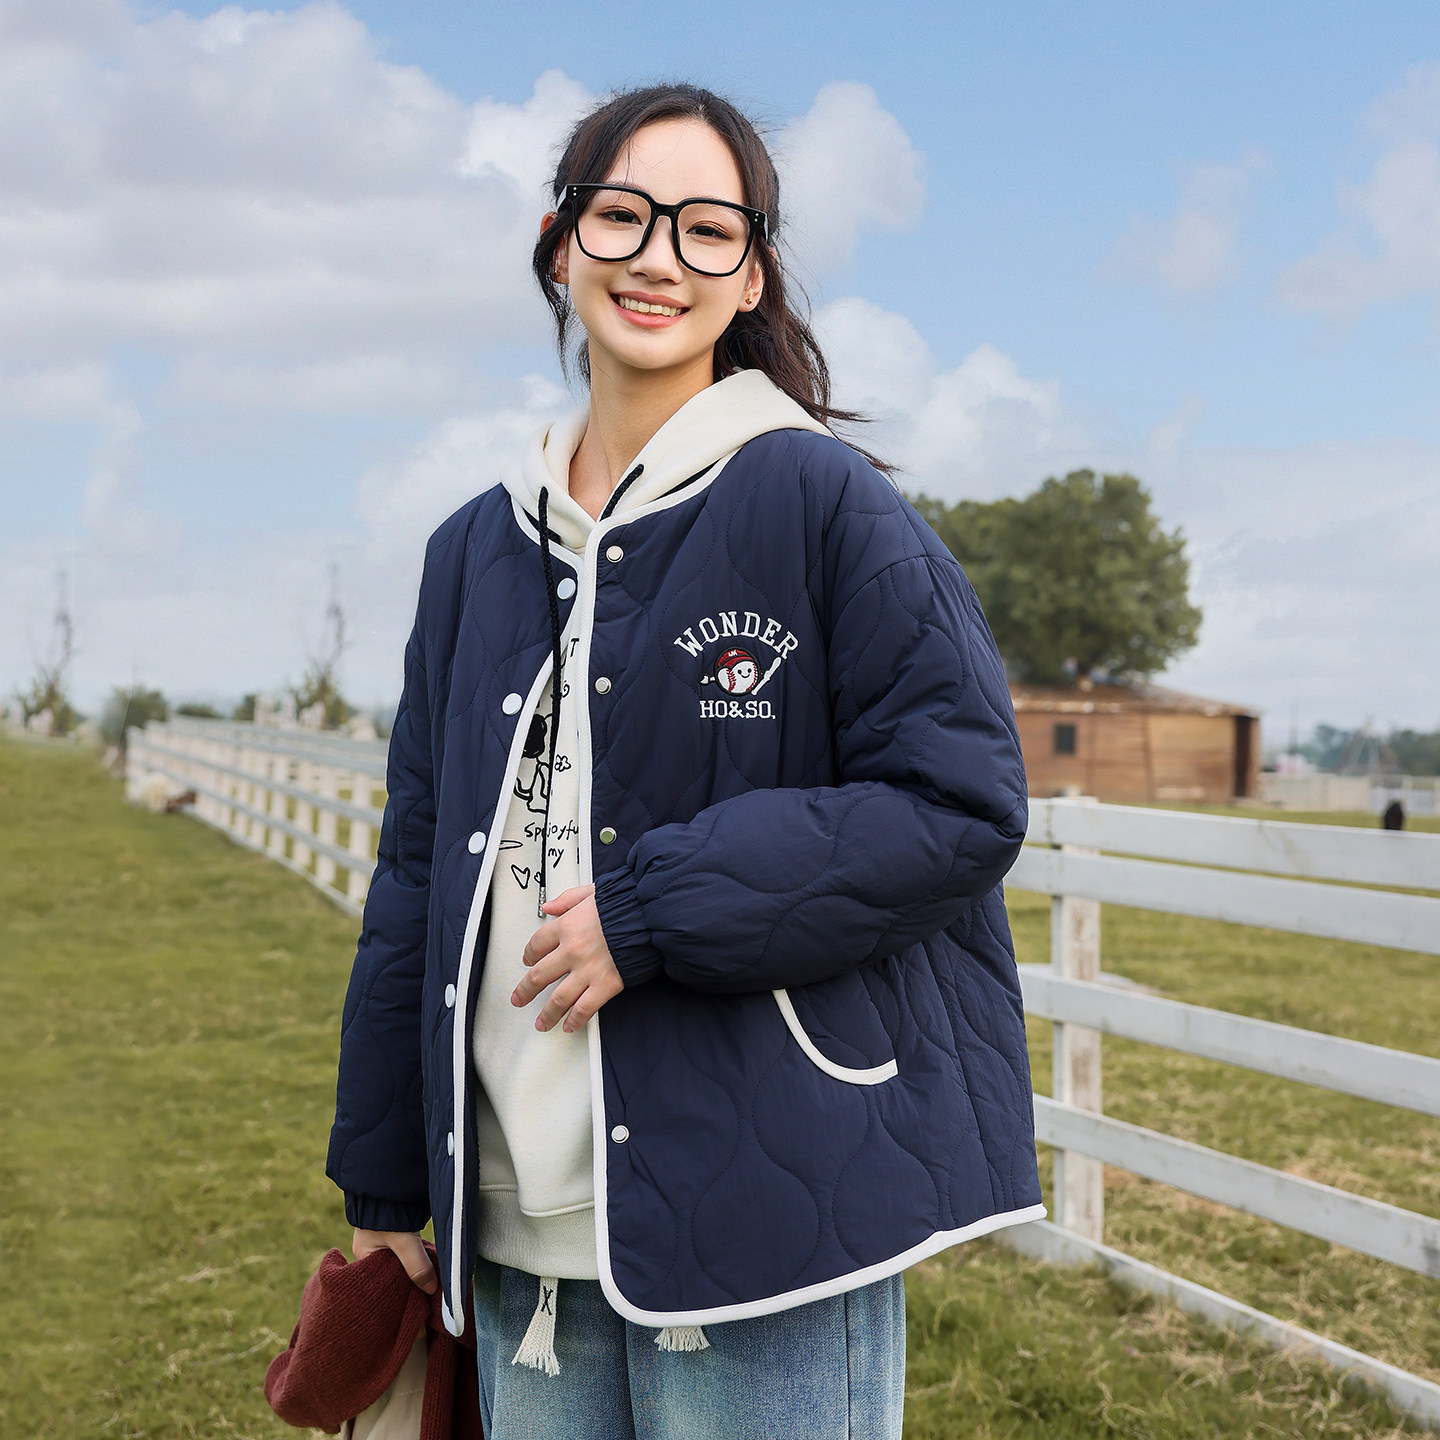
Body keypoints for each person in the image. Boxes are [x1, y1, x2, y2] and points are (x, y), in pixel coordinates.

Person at [326, 82, 1043, 1440]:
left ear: (749, 272)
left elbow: (960, 801)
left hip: (764, 1226)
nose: (658, 255)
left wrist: (655, 911)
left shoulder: (824, 502)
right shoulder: (471, 550)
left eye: (706, 229)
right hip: (517, 1235)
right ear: (560, 244)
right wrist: (381, 1188)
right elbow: (420, 870)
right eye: (623, 215)